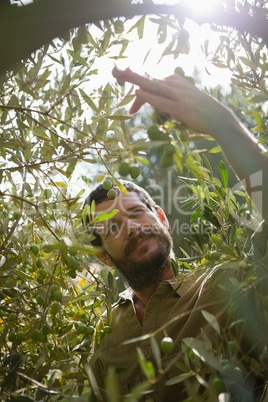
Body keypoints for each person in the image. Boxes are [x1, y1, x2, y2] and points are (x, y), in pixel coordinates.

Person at [84, 68, 268, 401]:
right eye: (113, 227)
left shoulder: (225, 288)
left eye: (137, 212)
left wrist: (222, 126)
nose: (134, 227)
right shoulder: (104, 342)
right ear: (103, 257)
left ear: (162, 219)